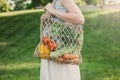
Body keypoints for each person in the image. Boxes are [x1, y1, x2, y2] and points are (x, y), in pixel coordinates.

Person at [40, 0, 85, 80]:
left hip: (60, 52)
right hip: (51, 49)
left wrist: (53, 11)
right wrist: (47, 17)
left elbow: (80, 19)